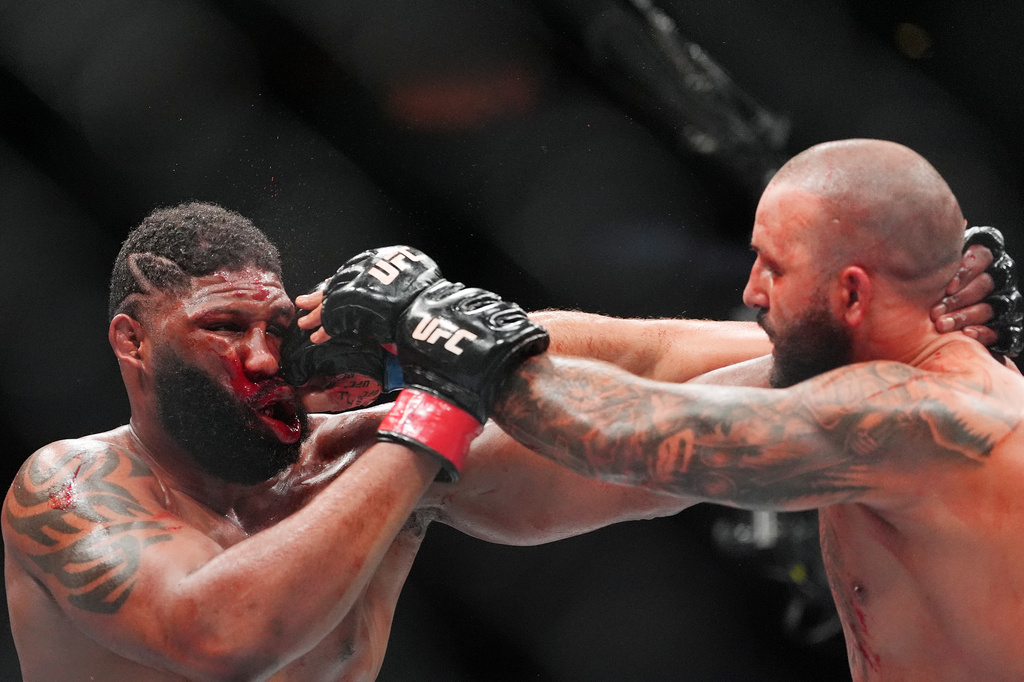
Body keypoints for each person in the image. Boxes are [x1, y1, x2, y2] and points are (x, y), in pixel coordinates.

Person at [0, 197, 1005, 681]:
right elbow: (218, 634)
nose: (262, 359)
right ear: (132, 341)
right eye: (222, 331)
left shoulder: (355, 459)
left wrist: (870, 342)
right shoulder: (70, 490)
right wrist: (438, 398)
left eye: (275, 328)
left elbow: (647, 413)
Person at [458, 139, 1024, 681]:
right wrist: (451, 332)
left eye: (774, 268)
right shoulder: (852, 360)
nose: (752, 291)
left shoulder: (923, 416)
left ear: (852, 294)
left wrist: (460, 347)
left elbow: (633, 436)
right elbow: (650, 353)